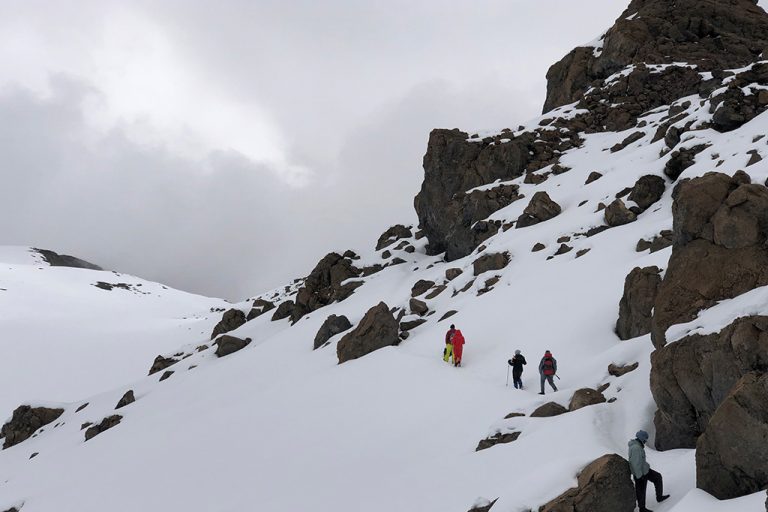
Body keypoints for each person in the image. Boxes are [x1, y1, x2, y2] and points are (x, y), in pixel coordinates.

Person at [628, 430, 669, 512]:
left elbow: (640, 461)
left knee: (657, 477)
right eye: (645, 439)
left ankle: (659, 497)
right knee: (641, 490)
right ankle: (642, 509)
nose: (645, 441)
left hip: (645, 470)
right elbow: (635, 464)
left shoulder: (637, 446)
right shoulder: (636, 448)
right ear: (641, 438)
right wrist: (640, 477)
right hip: (641, 474)